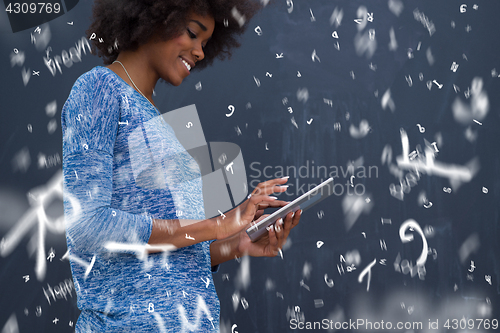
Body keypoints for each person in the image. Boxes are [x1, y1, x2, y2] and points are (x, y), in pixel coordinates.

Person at [61, 0, 301, 331]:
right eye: (192, 33)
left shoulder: (163, 126)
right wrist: (219, 224)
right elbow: (88, 225)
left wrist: (237, 242)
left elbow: (171, 254)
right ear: (153, 17)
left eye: (205, 43)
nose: (200, 52)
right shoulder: (99, 89)